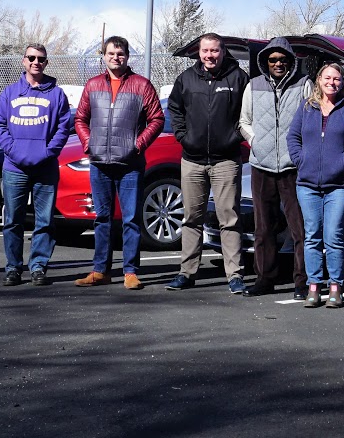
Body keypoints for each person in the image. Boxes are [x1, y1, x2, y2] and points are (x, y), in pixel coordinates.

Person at [73, 36, 165, 290]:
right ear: (103, 55)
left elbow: (157, 118)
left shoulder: (141, 85)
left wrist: (138, 144)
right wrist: (89, 144)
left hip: (130, 165)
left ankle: (131, 272)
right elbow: (80, 118)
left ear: (127, 56)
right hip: (99, 163)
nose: (116, 57)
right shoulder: (92, 85)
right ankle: (100, 270)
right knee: (102, 218)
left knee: (131, 219)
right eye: (111, 53)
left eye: (121, 53)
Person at [166, 32, 249, 293]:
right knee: (191, 218)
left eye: (214, 51)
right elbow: (175, 109)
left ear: (223, 51)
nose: (209, 56)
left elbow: (248, 113)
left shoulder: (238, 78)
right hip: (192, 160)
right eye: (205, 51)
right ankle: (187, 272)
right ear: (199, 53)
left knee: (229, 218)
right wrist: (183, 137)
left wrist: (234, 137)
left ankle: (234, 275)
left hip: (226, 160)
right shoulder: (186, 79)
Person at [0, 43, 74, 287]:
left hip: (45, 168)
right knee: (13, 220)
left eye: (41, 59)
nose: (36, 62)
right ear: (23, 61)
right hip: (14, 168)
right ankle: (13, 268)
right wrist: (15, 151)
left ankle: (38, 266)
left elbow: (63, 127)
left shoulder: (56, 94)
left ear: (46, 63)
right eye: (31, 58)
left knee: (45, 220)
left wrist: (48, 152)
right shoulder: (9, 93)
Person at [286, 62, 344, 308]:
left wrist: (343, 162)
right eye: (327, 77)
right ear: (319, 80)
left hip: (340, 185)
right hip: (307, 184)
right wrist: (301, 160)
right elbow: (293, 136)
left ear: (343, 82)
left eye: (337, 79)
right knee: (312, 236)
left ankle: (335, 286)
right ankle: (313, 286)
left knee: (333, 236)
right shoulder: (307, 107)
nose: (332, 82)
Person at [238, 37, 310, 298]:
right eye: (273, 60)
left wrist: (302, 152)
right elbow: (243, 120)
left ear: (290, 61)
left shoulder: (304, 85)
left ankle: (302, 282)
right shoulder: (253, 86)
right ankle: (264, 279)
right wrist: (255, 141)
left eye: (282, 59)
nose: (278, 64)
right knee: (263, 228)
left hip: (293, 168)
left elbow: (310, 120)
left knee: (299, 228)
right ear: (265, 62)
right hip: (262, 165)